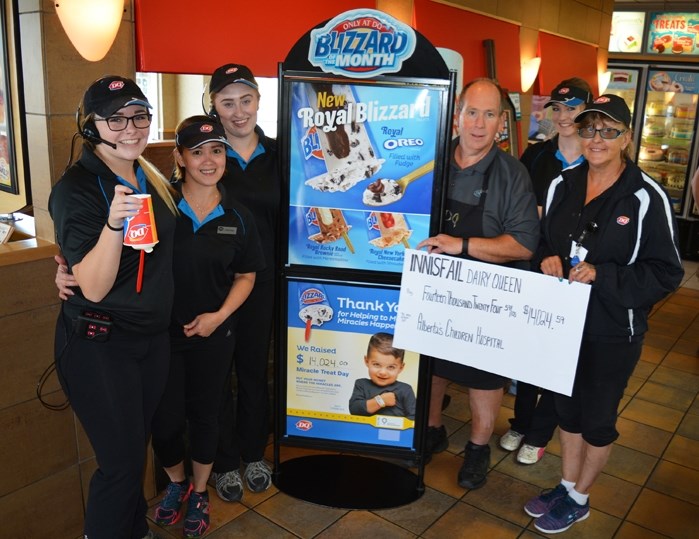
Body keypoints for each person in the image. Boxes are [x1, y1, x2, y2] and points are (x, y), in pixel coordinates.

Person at [524, 95, 683, 534]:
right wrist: (547, 259)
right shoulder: (562, 183)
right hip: (562, 322)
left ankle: (580, 498)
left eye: (609, 131)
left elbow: (667, 273)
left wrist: (604, 276)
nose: (597, 139)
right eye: (591, 128)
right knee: (567, 411)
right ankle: (565, 483)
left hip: (613, 329)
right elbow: (541, 241)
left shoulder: (646, 197)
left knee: (596, 419)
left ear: (627, 138)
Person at [49, 76, 178, 539]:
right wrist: (112, 226)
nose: (131, 128)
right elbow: (96, 288)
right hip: (101, 345)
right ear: (91, 126)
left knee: (134, 452)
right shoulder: (78, 188)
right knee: (120, 466)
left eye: (139, 116)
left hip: (150, 340)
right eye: (115, 119)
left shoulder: (149, 173)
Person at [416, 78, 539, 489]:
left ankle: (476, 449)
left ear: (502, 123)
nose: (479, 123)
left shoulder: (512, 174)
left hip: (487, 298)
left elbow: (523, 245)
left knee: (485, 378)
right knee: (431, 364)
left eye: (490, 114)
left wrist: (461, 244)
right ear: (457, 117)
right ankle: (431, 430)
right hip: (434, 288)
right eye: (472, 112)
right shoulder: (431, 160)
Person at [150, 117, 264, 537]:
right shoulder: (157, 206)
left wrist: (218, 317)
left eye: (216, 150)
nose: (208, 160)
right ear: (180, 158)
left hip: (215, 335)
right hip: (161, 335)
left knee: (205, 416)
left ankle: (199, 491)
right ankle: (176, 485)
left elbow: (246, 276)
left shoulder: (238, 215)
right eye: (197, 152)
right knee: (163, 422)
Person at [501, 78, 593, 466]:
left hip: (577, 275)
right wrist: (539, 250)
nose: (565, 116)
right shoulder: (536, 156)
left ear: (588, 111)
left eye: (572, 108)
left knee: (559, 357)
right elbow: (521, 214)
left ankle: (539, 432)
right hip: (534, 264)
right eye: (558, 108)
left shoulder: (599, 155)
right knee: (525, 350)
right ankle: (521, 421)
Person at [206, 63, 281, 502]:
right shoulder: (207, 155)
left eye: (245, 100)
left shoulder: (278, 154)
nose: (238, 112)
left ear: (258, 100)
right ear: (213, 105)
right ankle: (224, 460)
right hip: (215, 283)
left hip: (263, 282)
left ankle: (254, 453)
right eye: (227, 102)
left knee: (254, 372)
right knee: (217, 375)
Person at [348, 332, 416, 420]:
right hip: (365, 432)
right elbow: (354, 409)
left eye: (391, 367)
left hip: (395, 433)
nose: (383, 372)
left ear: (401, 368)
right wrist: (381, 401)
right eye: (376, 364)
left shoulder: (405, 389)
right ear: (366, 361)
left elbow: (414, 418)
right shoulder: (361, 384)